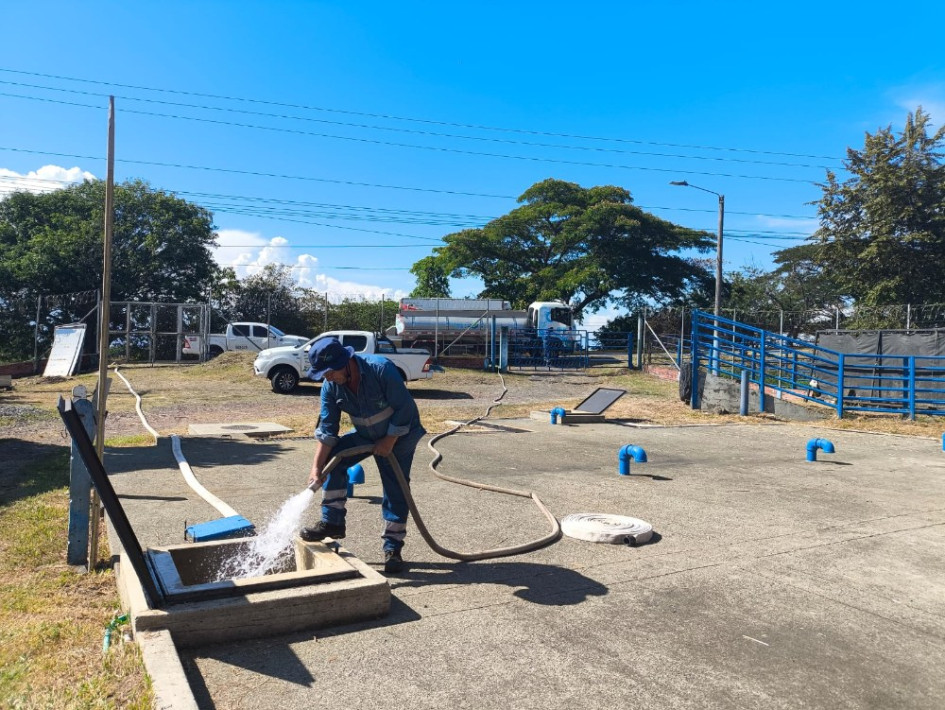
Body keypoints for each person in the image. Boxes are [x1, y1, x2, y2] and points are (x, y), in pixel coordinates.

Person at [300, 337, 426, 574]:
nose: (327, 377)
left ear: (346, 362)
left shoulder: (381, 369)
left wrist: (389, 440)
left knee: (395, 486)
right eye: (322, 374)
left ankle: (393, 547)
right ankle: (333, 522)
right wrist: (316, 468)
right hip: (366, 433)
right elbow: (327, 430)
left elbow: (405, 409)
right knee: (334, 458)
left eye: (330, 372)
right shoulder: (330, 387)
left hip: (401, 434)